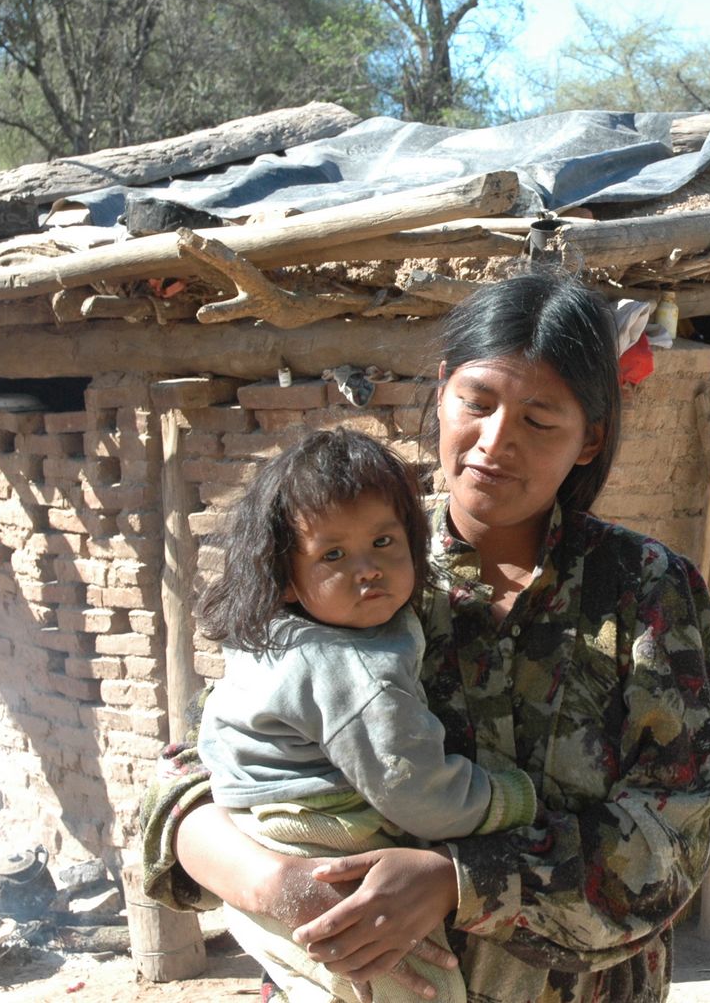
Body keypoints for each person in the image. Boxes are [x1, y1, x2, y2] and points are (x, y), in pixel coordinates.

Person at [139, 267, 710, 1002]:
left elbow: (673, 838)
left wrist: (459, 881)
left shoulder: (645, 590)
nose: (495, 442)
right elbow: (189, 777)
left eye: (540, 421)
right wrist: (280, 885)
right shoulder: (352, 559)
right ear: (444, 390)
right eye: (476, 403)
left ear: (591, 438)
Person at [194, 428, 539, 1003]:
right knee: (420, 988)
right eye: (333, 555)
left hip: (258, 832)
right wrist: (513, 799)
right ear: (284, 579)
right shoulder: (349, 670)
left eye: (383, 542)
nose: (368, 569)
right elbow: (418, 792)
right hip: (314, 844)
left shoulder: (278, 634)